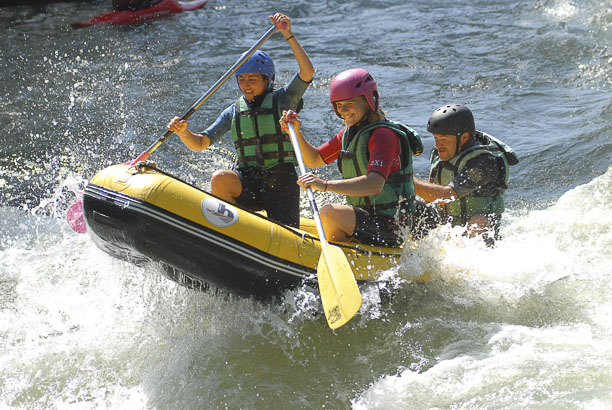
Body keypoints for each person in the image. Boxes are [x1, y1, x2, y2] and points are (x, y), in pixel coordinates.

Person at [167, 13, 314, 228]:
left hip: (281, 184)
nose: (246, 85)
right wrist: (182, 132)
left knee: (286, 231)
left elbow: (307, 72)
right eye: (242, 79)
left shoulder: (284, 99)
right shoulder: (233, 111)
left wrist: (287, 34)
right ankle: (229, 232)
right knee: (220, 178)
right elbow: (199, 144)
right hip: (249, 181)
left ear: (267, 80)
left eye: (252, 79)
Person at [280, 68, 423, 247]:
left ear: (368, 100)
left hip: (393, 227)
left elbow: (374, 184)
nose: (343, 110)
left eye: (349, 103)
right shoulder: (348, 135)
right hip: (369, 219)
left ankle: (337, 252)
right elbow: (314, 159)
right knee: (330, 213)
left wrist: (324, 185)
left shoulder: (384, 136)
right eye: (339, 105)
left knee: (330, 213)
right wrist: (295, 132)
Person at [412, 104, 519, 242]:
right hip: (447, 223)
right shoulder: (440, 152)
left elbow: (446, 196)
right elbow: (430, 196)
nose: (438, 145)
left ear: (464, 137)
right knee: (411, 209)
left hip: (483, 228)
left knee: (477, 223)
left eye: (444, 139)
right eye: (436, 138)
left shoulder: (484, 162)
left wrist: (405, 178)